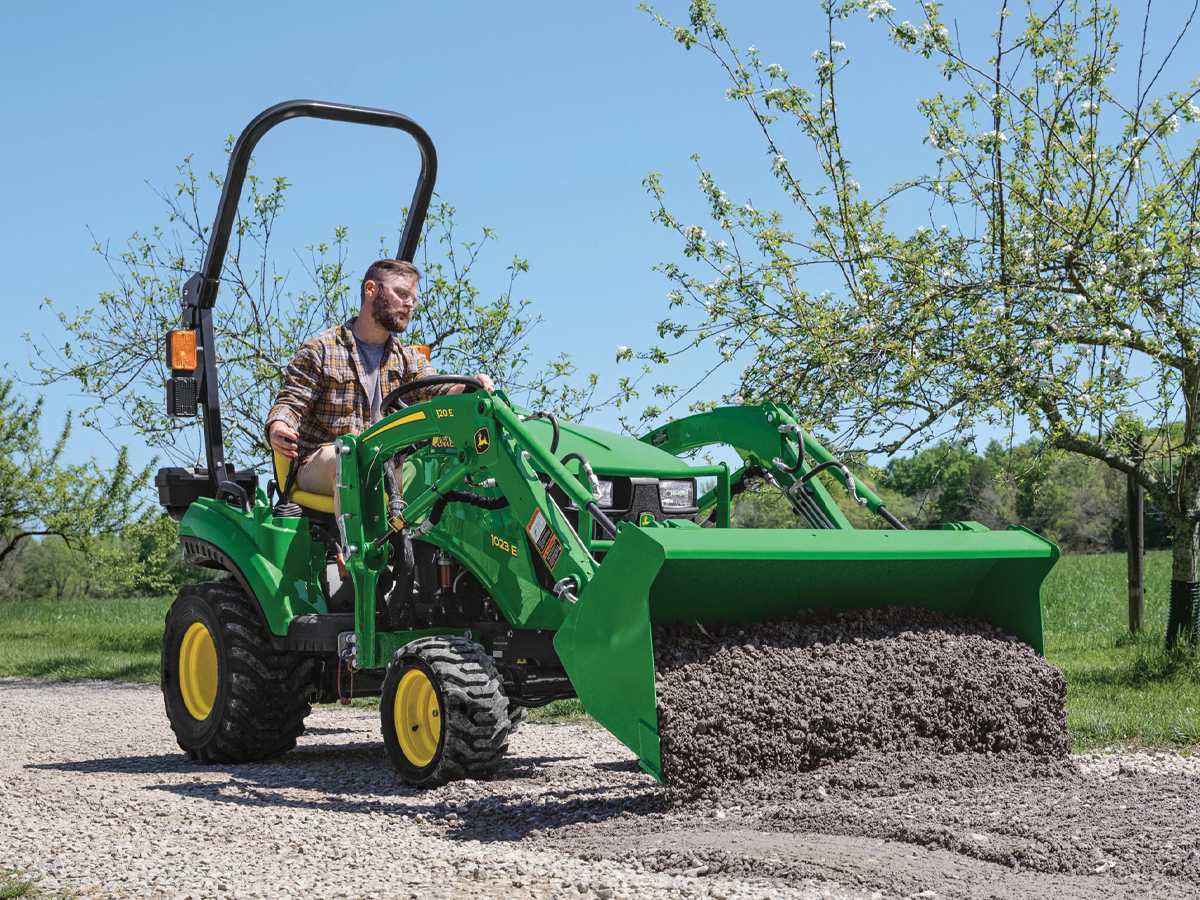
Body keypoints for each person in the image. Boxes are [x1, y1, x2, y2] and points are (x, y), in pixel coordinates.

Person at [266, 258, 494, 494]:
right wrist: (279, 425)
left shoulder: (407, 359)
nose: (410, 304)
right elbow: (291, 402)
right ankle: (355, 530)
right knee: (350, 461)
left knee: (443, 464)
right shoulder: (321, 350)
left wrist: (470, 386)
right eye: (402, 294)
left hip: (383, 461)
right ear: (371, 289)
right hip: (321, 460)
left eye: (413, 299)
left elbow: (436, 388)